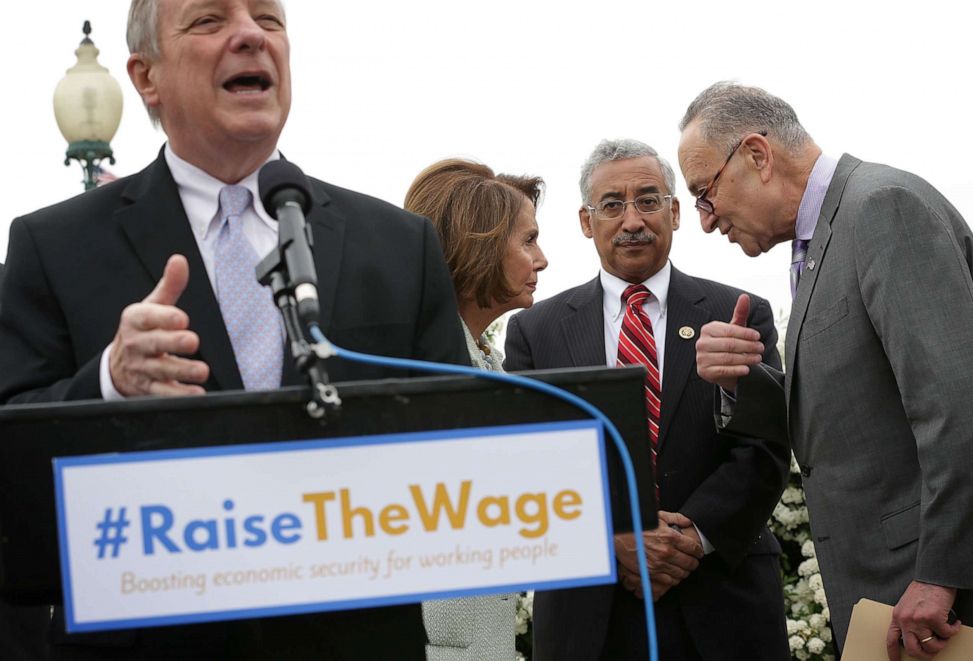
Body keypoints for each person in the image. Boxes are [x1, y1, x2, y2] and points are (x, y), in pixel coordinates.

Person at [0, 1, 467, 659]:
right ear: (146, 76)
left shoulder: (397, 245)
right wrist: (108, 382)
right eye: (209, 20)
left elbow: (461, 445)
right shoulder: (53, 245)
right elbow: (11, 465)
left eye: (269, 20)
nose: (251, 34)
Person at [677, 81, 973, 659]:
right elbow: (846, 416)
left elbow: (963, 406)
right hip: (887, 598)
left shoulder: (880, 208)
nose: (705, 219)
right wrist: (741, 383)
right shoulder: (817, 242)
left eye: (704, 192)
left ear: (756, 155)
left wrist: (942, 573)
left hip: (936, 603)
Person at [503, 139, 790, 660]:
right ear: (587, 222)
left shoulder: (739, 314)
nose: (632, 219)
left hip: (723, 600)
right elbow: (528, 466)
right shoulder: (534, 334)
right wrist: (610, 540)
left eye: (649, 200)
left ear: (676, 212)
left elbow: (767, 446)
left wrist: (691, 538)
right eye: (612, 204)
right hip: (590, 617)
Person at [404, 157, 548, 660]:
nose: (543, 258)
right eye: (528, 240)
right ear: (480, 246)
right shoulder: (419, 370)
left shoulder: (486, 359)